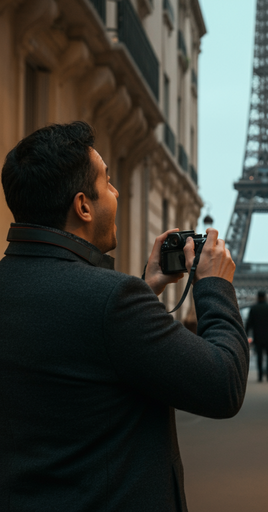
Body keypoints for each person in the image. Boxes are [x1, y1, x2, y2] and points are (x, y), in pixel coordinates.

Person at [0, 122, 249, 512]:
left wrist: (145, 292)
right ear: (83, 205)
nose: (116, 193)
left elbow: (76, 351)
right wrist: (214, 287)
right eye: (108, 182)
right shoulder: (111, 300)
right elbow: (223, 384)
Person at [245, 290, 268, 382]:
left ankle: (260, 374)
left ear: (257, 297)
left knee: (259, 356)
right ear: (265, 297)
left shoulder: (253, 308)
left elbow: (248, 324)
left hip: (258, 336)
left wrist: (244, 334)